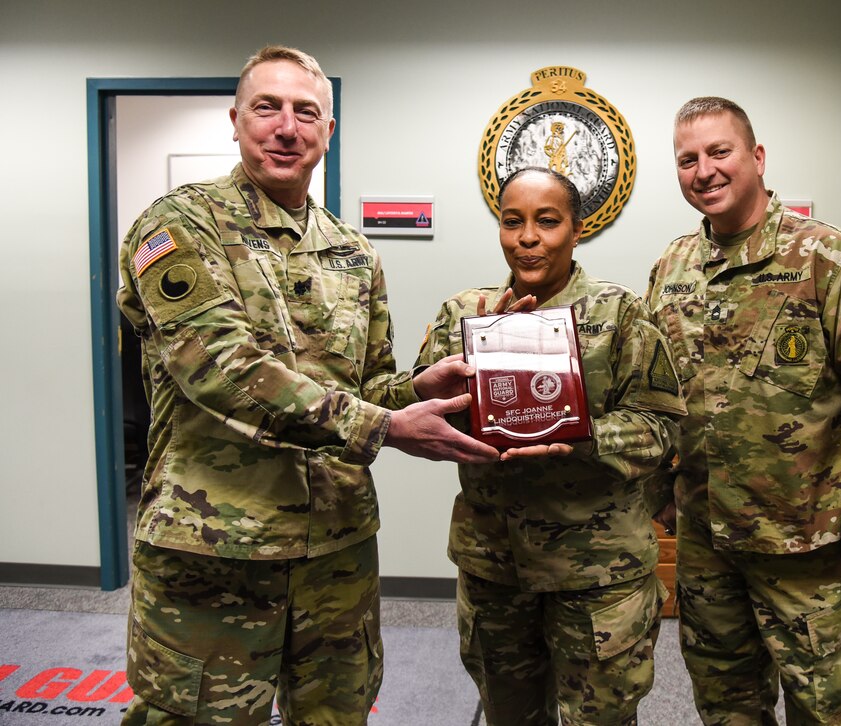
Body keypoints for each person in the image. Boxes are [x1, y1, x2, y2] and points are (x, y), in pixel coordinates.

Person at [115, 46, 501, 725]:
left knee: (336, 715)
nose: (286, 127)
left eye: (306, 112)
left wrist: (413, 390)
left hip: (336, 547)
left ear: (329, 131)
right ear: (235, 120)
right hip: (215, 548)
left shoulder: (354, 251)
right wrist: (381, 425)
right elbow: (221, 369)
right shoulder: (179, 225)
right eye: (267, 108)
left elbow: (369, 380)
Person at [645, 97, 841, 724]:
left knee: (822, 710)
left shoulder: (827, 261)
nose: (705, 171)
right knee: (726, 708)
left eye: (719, 152)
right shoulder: (672, 269)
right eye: (687, 159)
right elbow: (658, 395)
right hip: (706, 545)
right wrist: (659, 493)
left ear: (756, 156)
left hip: (807, 549)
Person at [415, 167, 687, 725]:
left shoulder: (620, 317)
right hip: (495, 568)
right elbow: (417, 413)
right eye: (512, 222)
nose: (528, 237)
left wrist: (580, 432)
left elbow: (663, 430)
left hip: (597, 575)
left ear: (577, 228)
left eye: (547, 220)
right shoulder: (463, 315)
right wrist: (453, 386)